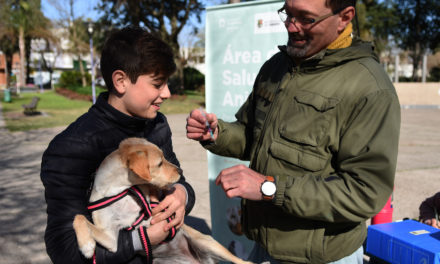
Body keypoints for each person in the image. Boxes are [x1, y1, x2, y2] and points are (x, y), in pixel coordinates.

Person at [186, 0, 400, 263]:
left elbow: (364, 192)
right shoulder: (277, 67)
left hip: (322, 257)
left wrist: (268, 188)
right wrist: (217, 133)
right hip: (263, 246)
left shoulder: (370, 89)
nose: (290, 26)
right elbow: (251, 136)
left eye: (306, 18)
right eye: (287, 14)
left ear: (345, 17)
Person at [40, 26, 195, 264]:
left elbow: (177, 178)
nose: (167, 93)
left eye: (167, 83)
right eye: (157, 84)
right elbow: (65, 248)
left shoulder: (156, 125)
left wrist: (183, 195)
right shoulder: (71, 147)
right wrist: (139, 240)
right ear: (121, 81)